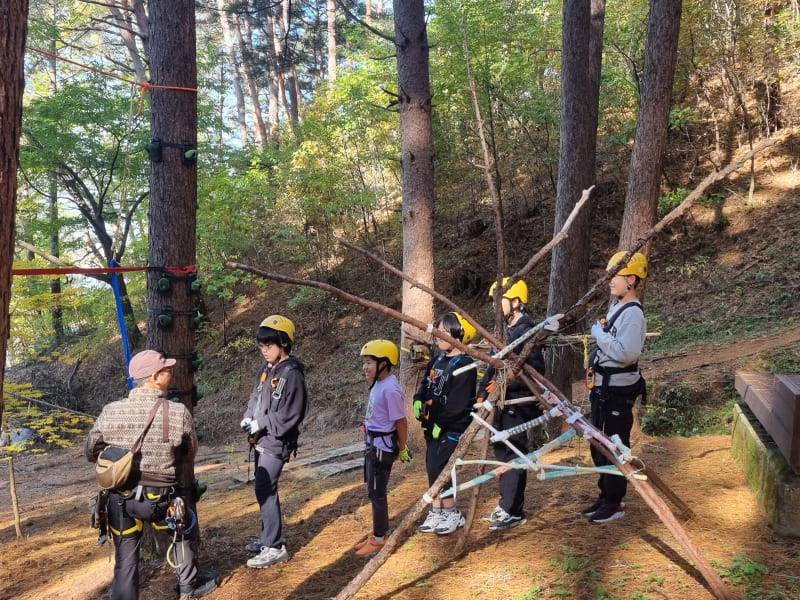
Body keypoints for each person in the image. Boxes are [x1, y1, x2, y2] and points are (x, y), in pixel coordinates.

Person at [85, 349, 218, 600]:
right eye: (167, 371)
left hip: (119, 499)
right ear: (155, 377)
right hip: (161, 499)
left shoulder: (110, 411)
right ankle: (188, 586)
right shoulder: (177, 413)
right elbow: (189, 453)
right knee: (184, 530)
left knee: (125, 558)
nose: (171, 374)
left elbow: (91, 451)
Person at [583, 251, 648, 524]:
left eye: (615, 276)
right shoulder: (617, 309)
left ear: (631, 279)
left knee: (614, 445)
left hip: (617, 393)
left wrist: (598, 335)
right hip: (603, 389)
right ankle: (605, 494)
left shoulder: (633, 314)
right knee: (598, 445)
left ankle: (615, 502)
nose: (610, 281)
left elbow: (626, 354)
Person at [477, 278, 546, 531]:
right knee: (502, 455)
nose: (496, 307)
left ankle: (513, 510)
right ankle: (506, 503)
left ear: (516, 302)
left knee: (515, 454)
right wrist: (482, 395)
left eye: (501, 301)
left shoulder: (526, 332)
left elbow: (534, 370)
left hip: (517, 403)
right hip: (501, 403)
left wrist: (503, 385)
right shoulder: (505, 333)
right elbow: (492, 368)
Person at [240, 315, 308, 567]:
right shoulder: (265, 370)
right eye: (261, 346)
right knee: (262, 489)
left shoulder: (292, 374)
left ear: (284, 344)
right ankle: (267, 537)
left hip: (276, 441)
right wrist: (249, 418)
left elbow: (293, 412)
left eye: (269, 346)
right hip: (260, 439)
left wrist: (264, 423)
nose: (264, 351)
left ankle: (275, 546)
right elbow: (254, 398)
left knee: (266, 490)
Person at [413, 312, 478, 536]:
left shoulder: (465, 364)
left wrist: (442, 421)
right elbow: (426, 384)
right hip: (432, 425)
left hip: (453, 426)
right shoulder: (438, 359)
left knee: (443, 465)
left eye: (444, 330)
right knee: (432, 464)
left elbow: (460, 403)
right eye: (437, 330)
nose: (438, 336)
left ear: (457, 333)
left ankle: (452, 512)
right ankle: (437, 509)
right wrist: (418, 400)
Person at [355, 339, 411, 556]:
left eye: (369, 362)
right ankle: (378, 532)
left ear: (385, 363)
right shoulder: (379, 384)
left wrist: (402, 447)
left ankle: (380, 539)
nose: (365, 367)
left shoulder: (390, 389)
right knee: (372, 490)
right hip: (372, 444)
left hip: (382, 448)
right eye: (364, 363)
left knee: (378, 493)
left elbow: (401, 421)